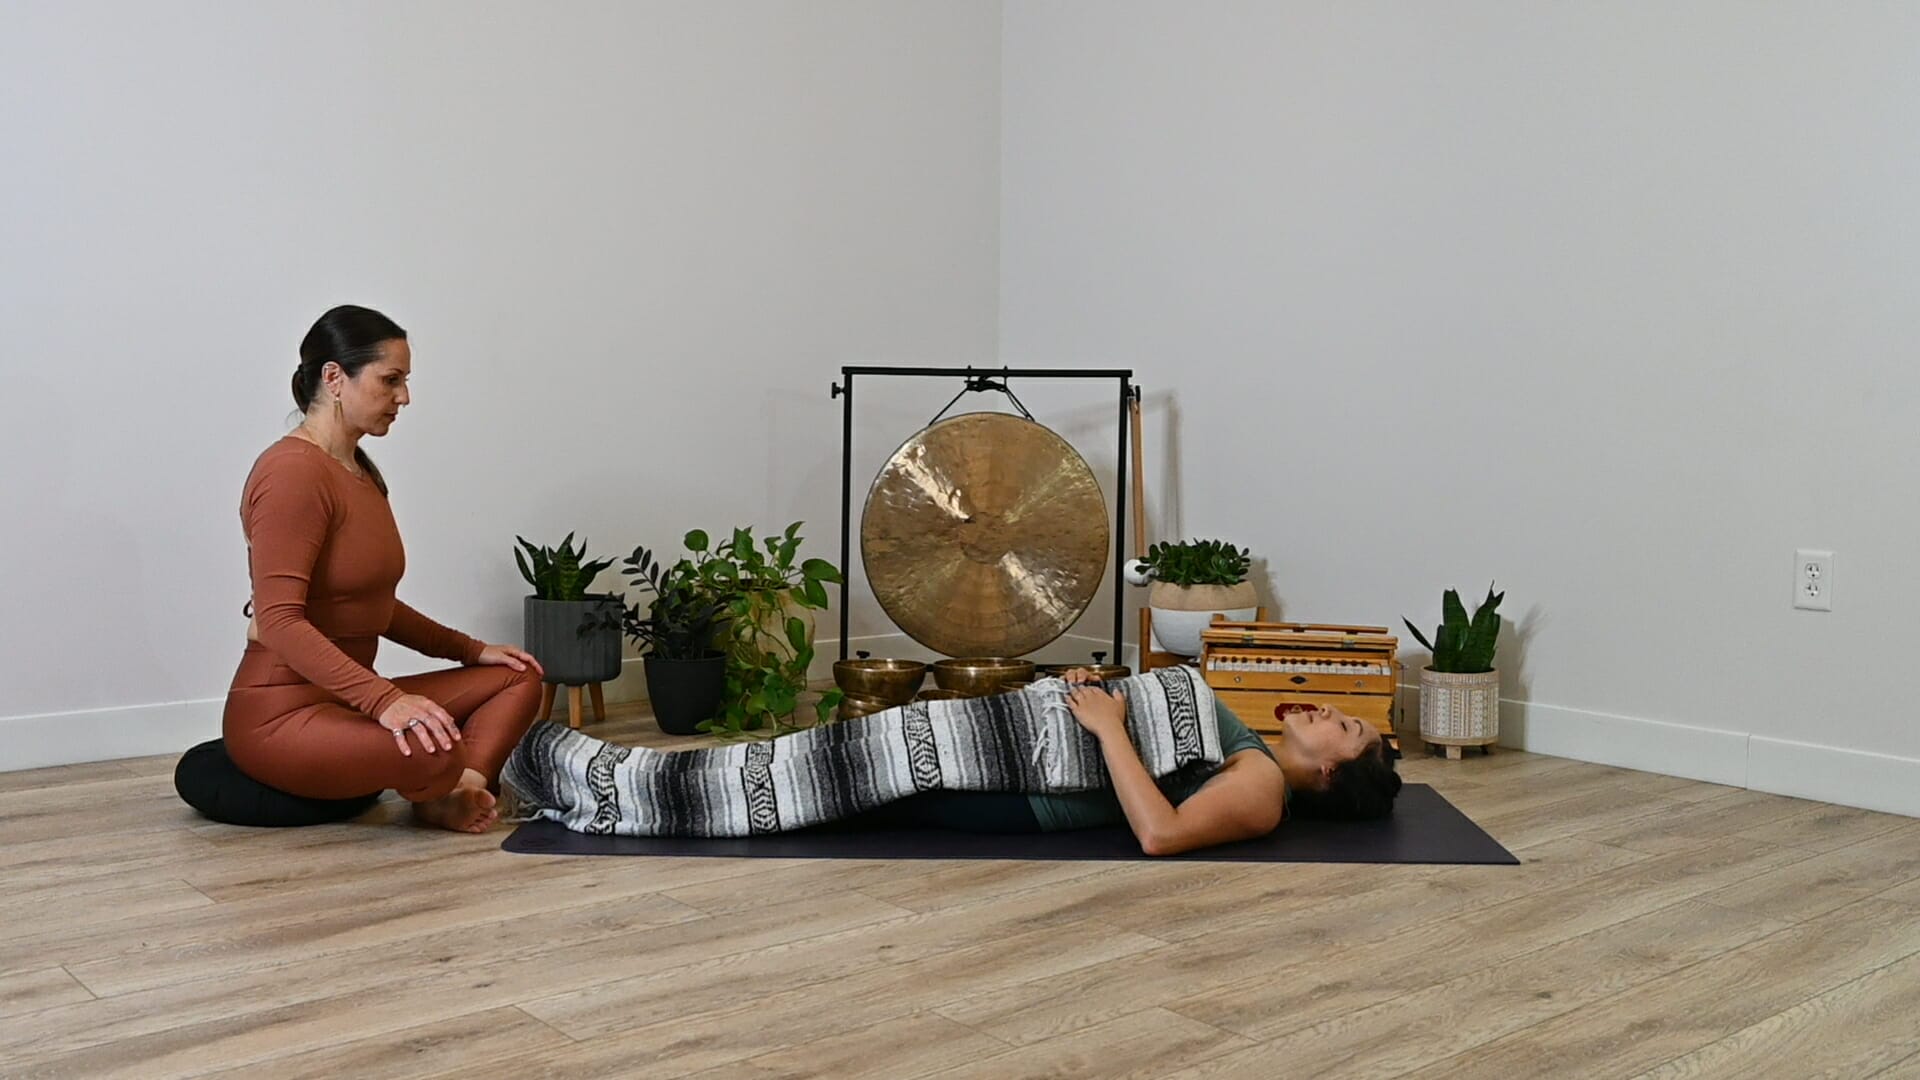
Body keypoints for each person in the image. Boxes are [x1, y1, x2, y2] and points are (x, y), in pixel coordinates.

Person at [221, 305, 545, 832]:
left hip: (346, 702)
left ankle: (454, 791)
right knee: (435, 748)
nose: (404, 397)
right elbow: (279, 621)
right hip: (281, 716)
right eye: (390, 380)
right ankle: (441, 781)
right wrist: (387, 701)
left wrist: (471, 651)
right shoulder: (291, 474)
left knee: (518, 677)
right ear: (334, 378)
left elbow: (374, 606)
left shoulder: (358, 470)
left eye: (406, 381)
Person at [839, 669, 1402, 855]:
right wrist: (1099, 690)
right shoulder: (1251, 749)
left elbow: (1161, 834)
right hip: (1016, 739)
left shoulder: (1262, 793)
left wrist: (1108, 727)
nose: (1330, 710)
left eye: (1346, 727)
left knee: (849, 789)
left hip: (1015, 792)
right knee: (852, 751)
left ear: (1331, 772)